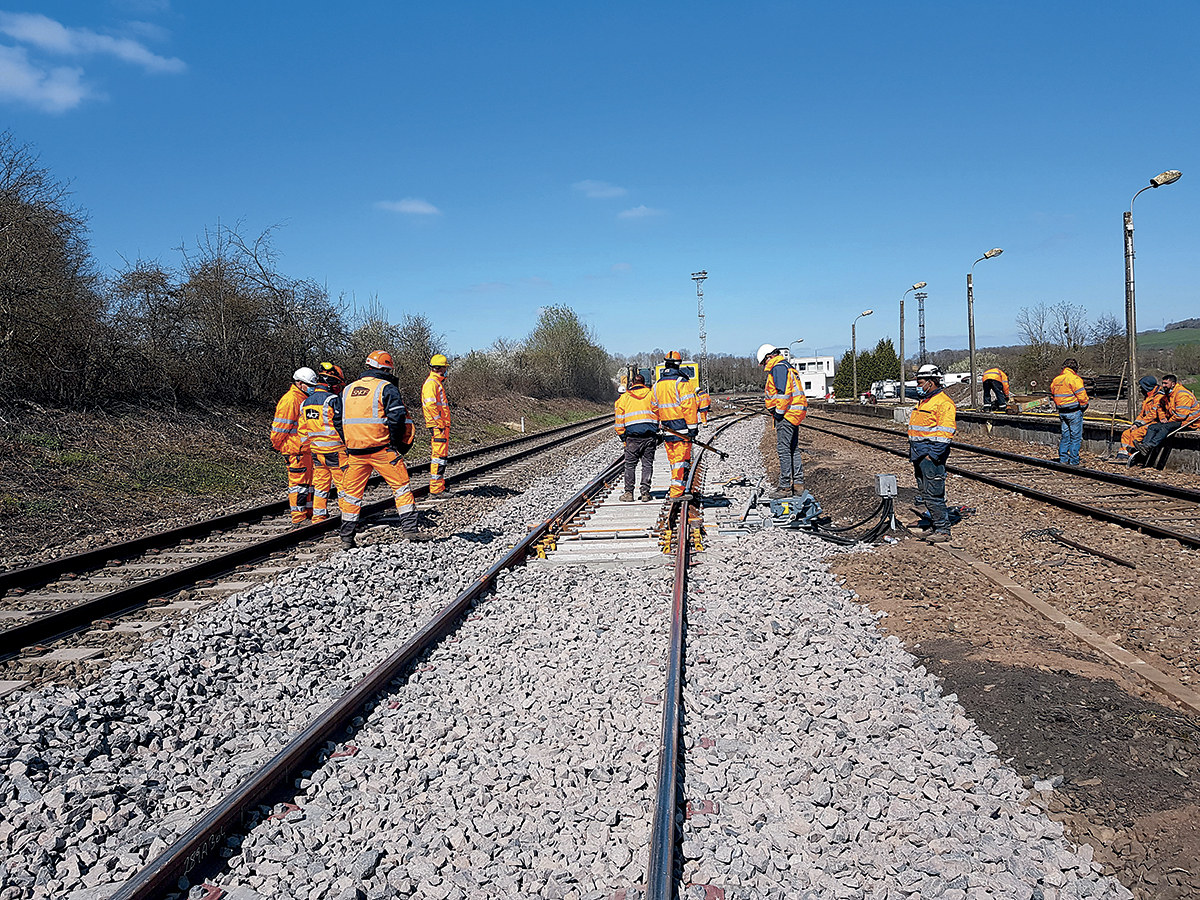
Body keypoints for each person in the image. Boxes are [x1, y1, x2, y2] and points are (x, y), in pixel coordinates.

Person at [334, 351, 431, 549]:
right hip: (382, 450)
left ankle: (346, 538)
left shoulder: (347, 390)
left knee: (351, 495)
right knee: (401, 487)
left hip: (355, 452)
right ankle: (411, 531)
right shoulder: (386, 388)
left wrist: (349, 441)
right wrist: (395, 444)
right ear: (387, 369)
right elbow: (397, 418)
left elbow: (337, 420)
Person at [907, 364, 957, 543]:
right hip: (919, 454)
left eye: (920, 382)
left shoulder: (944, 403)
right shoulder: (925, 402)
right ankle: (935, 525)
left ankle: (943, 530)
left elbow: (945, 434)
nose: (918, 386)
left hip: (930, 456)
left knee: (934, 494)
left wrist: (932, 455)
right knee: (925, 493)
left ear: (931, 382)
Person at [756, 343, 809, 499]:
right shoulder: (788, 367)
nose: (764, 365)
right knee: (793, 449)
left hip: (786, 414)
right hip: (795, 413)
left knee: (784, 450)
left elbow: (783, 393)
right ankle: (798, 484)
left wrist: (778, 413)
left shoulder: (778, 368)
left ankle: (785, 486)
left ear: (769, 356)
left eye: (764, 362)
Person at [299, 363, 349, 523]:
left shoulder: (305, 403)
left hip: (316, 452)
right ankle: (348, 517)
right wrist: (348, 446)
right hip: (336, 451)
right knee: (343, 486)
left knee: (320, 486)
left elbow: (303, 430)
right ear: (331, 383)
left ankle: (318, 517)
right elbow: (340, 426)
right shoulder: (332, 400)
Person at [271, 367, 318, 525]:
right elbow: (279, 429)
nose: (312, 388)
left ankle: (309, 514)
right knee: (298, 485)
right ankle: (298, 518)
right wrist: (279, 446)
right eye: (308, 385)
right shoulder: (291, 400)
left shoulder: (302, 399)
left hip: (304, 450)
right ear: (299, 383)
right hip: (295, 450)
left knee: (308, 486)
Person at [653, 351, 699, 500]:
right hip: (682, 429)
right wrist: (693, 427)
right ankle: (677, 492)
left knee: (674, 461)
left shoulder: (657, 385)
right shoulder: (681, 382)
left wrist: (658, 426)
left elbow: (653, 408)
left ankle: (677, 487)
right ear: (679, 365)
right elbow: (689, 406)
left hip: (667, 429)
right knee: (680, 461)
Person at [614, 372, 658, 502]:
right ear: (644, 383)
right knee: (647, 464)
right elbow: (658, 412)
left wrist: (623, 437)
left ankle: (628, 493)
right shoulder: (651, 395)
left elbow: (619, 420)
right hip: (649, 436)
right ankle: (645, 493)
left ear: (632, 383)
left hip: (632, 437)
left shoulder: (624, 398)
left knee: (630, 465)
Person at [1137, 373, 1199, 464]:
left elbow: (1181, 415)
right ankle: (1144, 446)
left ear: (1173, 384)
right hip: (1176, 420)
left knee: (1165, 427)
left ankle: (1151, 445)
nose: (1163, 385)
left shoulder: (1181, 394)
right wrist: (1162, 418)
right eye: (1163, 383)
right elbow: (1160, 407)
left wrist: (1168, 422)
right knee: (1152, 427)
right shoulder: (1167, 394)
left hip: (1189, 422)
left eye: (1166, 383)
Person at [422, 353, 452, 498]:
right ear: (440, 368)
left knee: (441, 456)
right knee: (438, 457)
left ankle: (438, 485)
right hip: (438, 425)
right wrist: (439, 421)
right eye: (445, 368)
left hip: (440, 425)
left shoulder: (436, 383)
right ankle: (436, 488)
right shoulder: (432, 383)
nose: (446, 371)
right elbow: (430, 405)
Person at [1050, 358, 1089, 466]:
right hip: (1074, 412)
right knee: (1075, 437)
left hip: (1062, 412)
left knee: (1065, 436)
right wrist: (1084, 406)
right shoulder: (1074, 379)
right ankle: (1074, 461)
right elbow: (1082, 397)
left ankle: (1063, 459)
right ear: (1075, 368)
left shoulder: (1056, 380)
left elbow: (1053, 395)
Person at [1117, 376, 1163, 464]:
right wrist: (1136, 424)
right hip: (1146, 423)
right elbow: (1142, 413)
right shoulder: (1148, 397)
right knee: (1126, 433)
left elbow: (1152, 415)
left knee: (1135, 434)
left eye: (1142, 387)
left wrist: (1139, 425)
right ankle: (1123, 455)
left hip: (1155, 424)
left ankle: (1132, 456)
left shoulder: (1158, 397)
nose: (1141, 389)